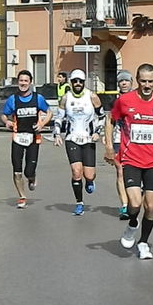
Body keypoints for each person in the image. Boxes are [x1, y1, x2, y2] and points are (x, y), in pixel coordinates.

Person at [104, 63, 153, 259]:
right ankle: (132, 224)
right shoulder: (125, 100)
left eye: (150, 81)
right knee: (135, 204)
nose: (147, 85)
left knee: (151, 206)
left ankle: (144, 242)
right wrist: (110, 147)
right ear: (137, 80)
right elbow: (110, 121)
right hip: (131, 158)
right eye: (143, 81)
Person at [53, 69, 105, 216]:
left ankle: (89, 181)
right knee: (76, 172)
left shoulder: (92, 96)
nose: (77, 84)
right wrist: (57, 134)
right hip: (72, 138)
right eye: (74, 81)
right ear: (71, 82)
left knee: (89, 175)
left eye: (80, 81)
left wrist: (97, 132)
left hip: (88, 139)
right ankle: (79, 203)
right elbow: (59, 118)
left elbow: (102, 116)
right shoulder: (65, 98)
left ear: (83, 82)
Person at [1, 70, 53, 209]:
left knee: (28, 171)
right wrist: (7, 122)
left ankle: (32, 177)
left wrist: (42, 124)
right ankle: (22, 197)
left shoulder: (38, 98)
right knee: (17, 170)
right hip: (18, 138)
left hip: (33, 138)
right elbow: (4, 115)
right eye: (21, 81)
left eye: (25, 81)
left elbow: (49, 112)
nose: (23, 83)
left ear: (30, 82)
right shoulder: (13, 99)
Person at [110, 69, 134, 219]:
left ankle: (135, 199)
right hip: (119, 139)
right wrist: (107, 141)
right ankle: (124, 205)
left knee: (134, 172)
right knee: (120, 172)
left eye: (126, 80)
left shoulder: (137, 98)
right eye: (121, 81)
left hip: (136, 141)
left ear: (131, 83)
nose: (124, 83)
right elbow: (110, 121)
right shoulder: (115, 101)